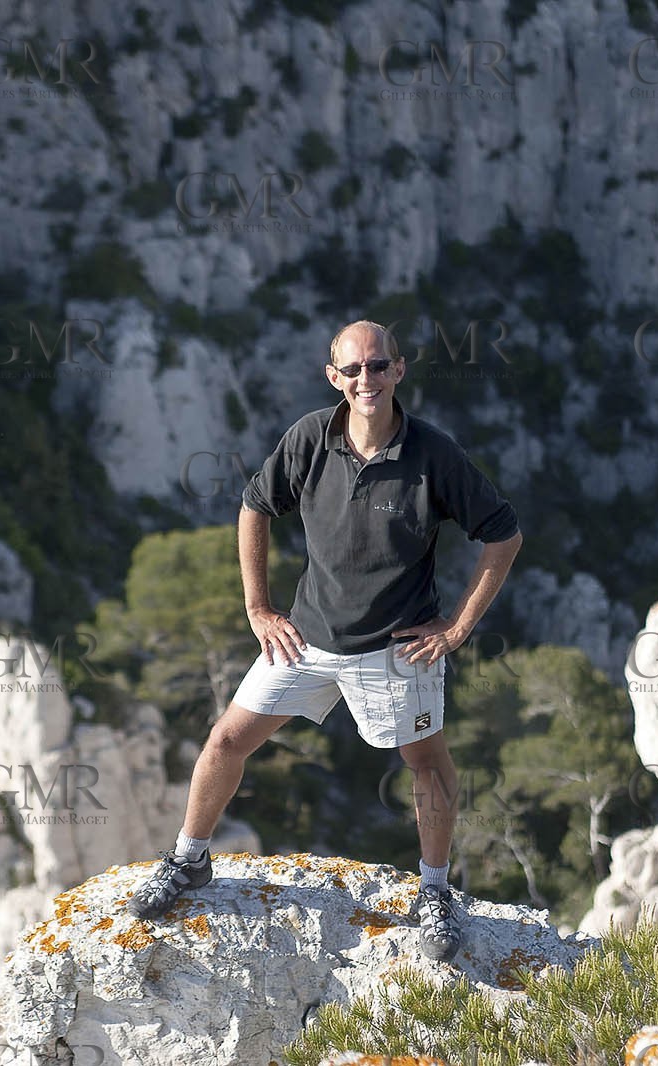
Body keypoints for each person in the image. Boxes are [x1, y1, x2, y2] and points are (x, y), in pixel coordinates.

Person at [127, 320, 523, 962]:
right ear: (333, 377)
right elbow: (254, 505)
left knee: (426, 764)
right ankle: (189, 859)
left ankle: (435, 893)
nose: (365, 379)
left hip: (397, 649)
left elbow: (503, 535)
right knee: (226, 740)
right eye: (352, 370)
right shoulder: (310, 437)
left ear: (398, 370)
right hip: (306, 640)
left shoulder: (433, 455)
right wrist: (258, 607)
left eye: (377, 366)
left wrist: (456, 628)